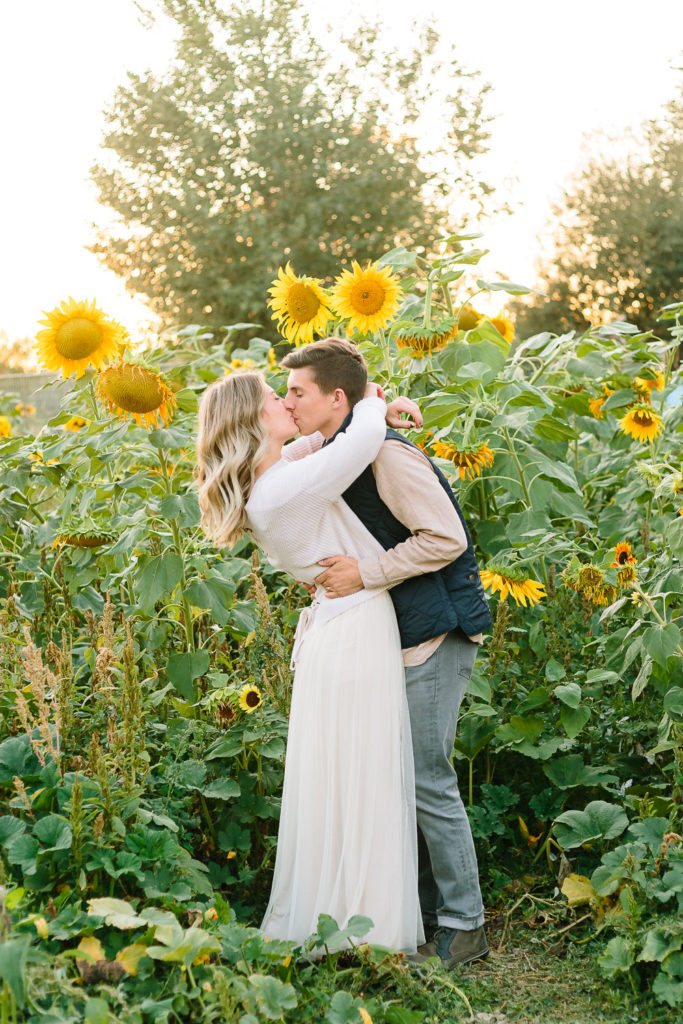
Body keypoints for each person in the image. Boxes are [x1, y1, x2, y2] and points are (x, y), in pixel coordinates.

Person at [195, 368, 425, 953]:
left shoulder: (270, 478)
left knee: (343, 778)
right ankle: (364, 928)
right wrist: (374, 403)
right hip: (355, 627)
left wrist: (364, 409)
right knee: (363, 775)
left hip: (339, 627)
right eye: (278, 398)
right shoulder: (281, 490)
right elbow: (358, 444)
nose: (287, 402)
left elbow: (315, 445)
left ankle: (342, 916)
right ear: (253, 419)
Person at [281, 338, 493, 969]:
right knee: (399, 774)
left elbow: (446, 538)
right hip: (399, 634)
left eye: (299, 392)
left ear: (334, 398)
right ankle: (424, 911)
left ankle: (466, 925)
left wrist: (365, 573)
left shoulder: (388, 457)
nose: (289, 402)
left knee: (426, 776)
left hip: (438, 629)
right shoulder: (343, 446)